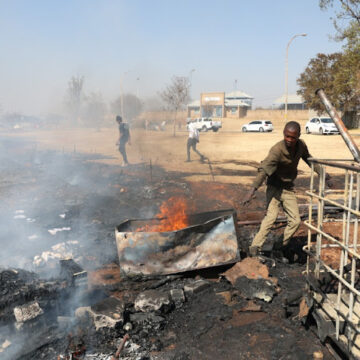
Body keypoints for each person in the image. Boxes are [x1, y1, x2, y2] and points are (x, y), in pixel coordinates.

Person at [242, 121, 332, 257]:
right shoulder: (277, 150)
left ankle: (278, 246)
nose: (289, 140)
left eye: (292, 137)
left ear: (298, 136)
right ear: (284, 134)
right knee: (271, 217)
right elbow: (264, 170)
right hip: (274, 187)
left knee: (295, 221)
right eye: (287, 136)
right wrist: (251, 191)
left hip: (288, 188)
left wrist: (326, 177)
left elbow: (309, 159)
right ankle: (254, 247)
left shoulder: (301, 145)